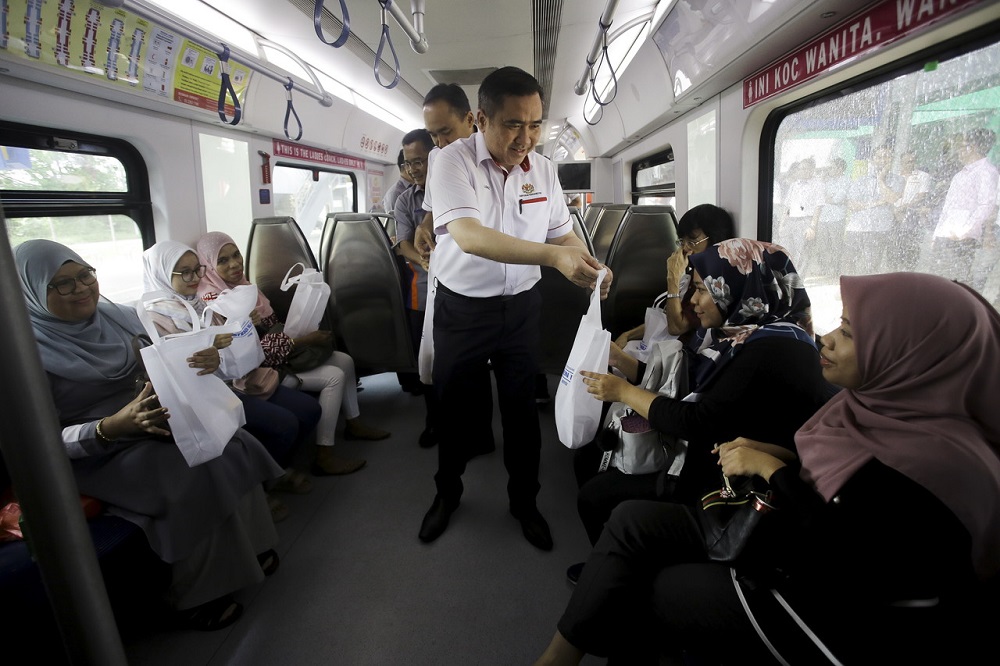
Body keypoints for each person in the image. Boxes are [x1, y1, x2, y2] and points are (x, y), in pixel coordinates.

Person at [535, 272, 1000, 665]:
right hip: (781, 528)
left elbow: (846, 556)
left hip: (824, 603)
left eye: (851, 332)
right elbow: (837, 482)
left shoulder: (934, 465)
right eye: (838, 324)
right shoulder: (872, 409)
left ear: (909, 354)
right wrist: (783, 457)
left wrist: (772, 470)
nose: (828, 338)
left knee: (659, 587)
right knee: (629, 519)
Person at [15, 239, 284, 631]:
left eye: (85, 274)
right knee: (189, 469)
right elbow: (38, 444)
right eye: (63, 284)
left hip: (155, 422)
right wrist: (110, 427)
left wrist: (206, 356)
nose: (83, 288)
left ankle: (252, 547)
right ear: (34, 293)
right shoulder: (25, 355)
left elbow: (170, 358)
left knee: (229, 440)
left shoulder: (121, 317)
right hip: (98, 450)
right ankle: (195, 593)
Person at [417, 67, 612, 550]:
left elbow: (561, 234)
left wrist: (589, 266)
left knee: (522, 414)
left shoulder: (544, 170)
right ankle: (448, 493)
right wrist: (552, 257)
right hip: (463, 310)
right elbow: (468, 236)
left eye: (535, 124)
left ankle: (525, 502)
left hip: (521, 308)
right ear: (481, 118)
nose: (526, 138)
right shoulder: (451, 162)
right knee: (454, 412)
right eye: (512, 124)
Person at [571, 239, 828, 554]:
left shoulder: (771, 350)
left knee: (595, 495)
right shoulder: (732, 334)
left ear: (738, 286)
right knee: (587, 458)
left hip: (719, 477)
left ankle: (619, 561)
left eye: (702, 289)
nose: (691, 300)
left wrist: (624, 391)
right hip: (698, 450)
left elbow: (695, 421)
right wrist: (623, 363)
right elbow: (682, 389)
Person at [141, 241, 320, 518]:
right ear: (163, 275)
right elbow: (173, 372)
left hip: (227, 383)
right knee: (284, 424)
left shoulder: (200, 304)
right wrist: (213, 352)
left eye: (197, 270)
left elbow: (229, 356)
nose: (196, 279)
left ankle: (272, 471)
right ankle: (260, 487)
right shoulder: (154, 317)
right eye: (185, 273)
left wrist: (234, 332)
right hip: (199, 396)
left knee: (309, 410)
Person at [195, 232, 388, 476]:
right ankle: (324, 455)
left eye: (236, 255)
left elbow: (272, 328)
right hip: (258, 372)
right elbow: (256, 355)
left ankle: (353, 423)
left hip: (280, 355)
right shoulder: (215, 303)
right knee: (334, 377)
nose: (234, 264)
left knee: (345, 361)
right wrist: (303, 340)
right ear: (209, 267)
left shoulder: (245, 288)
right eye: (222, 260)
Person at [614, 204, 736, 352]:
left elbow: (676, 327)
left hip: (679, 355)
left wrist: (673, 277)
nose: (685, 249)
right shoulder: (693, 274)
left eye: (692, 242)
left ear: (715, 241)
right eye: (682, 242)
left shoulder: (712, 283)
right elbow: (666, 318)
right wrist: (628, 335)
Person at [927, 128, 998, 284]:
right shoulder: (960, 175)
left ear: (971, 147)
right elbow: (947, 208)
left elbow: (985, 205)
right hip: (945, 236)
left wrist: (964, 232)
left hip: (963, 240)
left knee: (958, 284)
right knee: (938, 281)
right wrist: (936, 234)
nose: (958, 150)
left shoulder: (986, 171)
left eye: (961, 146)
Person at [843, 144, 903, 275]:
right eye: (879, 157)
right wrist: (878, 203)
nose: (883, 160)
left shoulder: (898, 180)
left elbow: (891, 198)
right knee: (849, 263)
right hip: (856, 227)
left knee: (871, 266)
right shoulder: (861, 180)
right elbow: (852, 205)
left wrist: (881, 179)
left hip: (879, 229)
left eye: (886, 157)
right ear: (872, 159)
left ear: (891, 159)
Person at [809, 157, 849, 277]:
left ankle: (836, 271)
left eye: (831, 167)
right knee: (822, 245)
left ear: (840, 168)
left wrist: (827, 198)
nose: (828, 170)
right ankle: (824, 269)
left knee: (836, 246)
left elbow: (838, 199)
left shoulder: (846, 181)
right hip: (823, 218)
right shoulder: (826, 181)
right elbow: (818, 197)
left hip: (837, 218)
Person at [379, 149, 413, 215]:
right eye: (415, 163)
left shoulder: (416, 188)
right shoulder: (395, 193)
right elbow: (394, 223)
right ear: (405, 167)